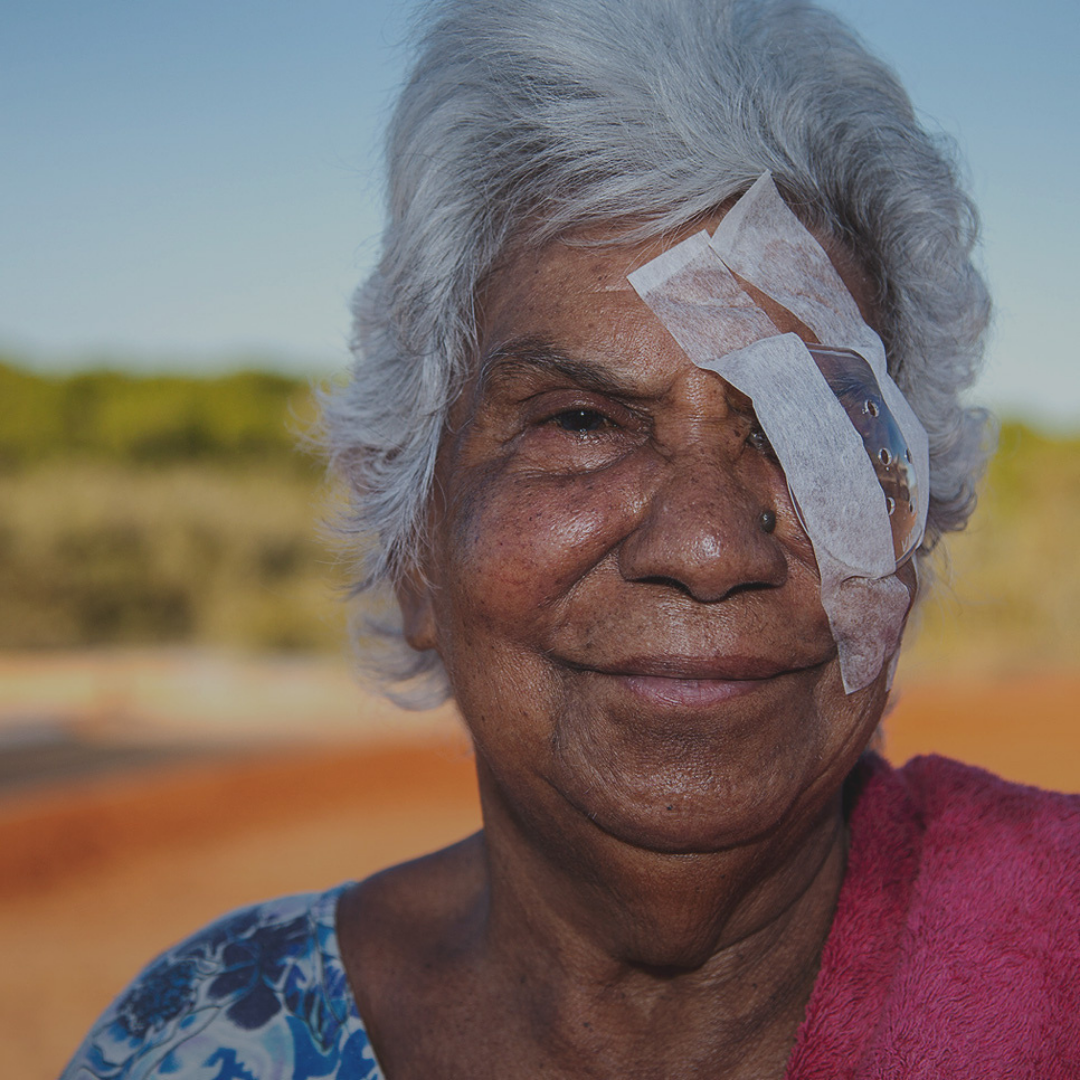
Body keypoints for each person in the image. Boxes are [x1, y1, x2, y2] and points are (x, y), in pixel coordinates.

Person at [63, 0, 1080, 1077]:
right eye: (582, 422)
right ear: (415, 548)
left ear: (911, 533)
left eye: (807, 430)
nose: (706, 547)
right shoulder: (199, 1038)